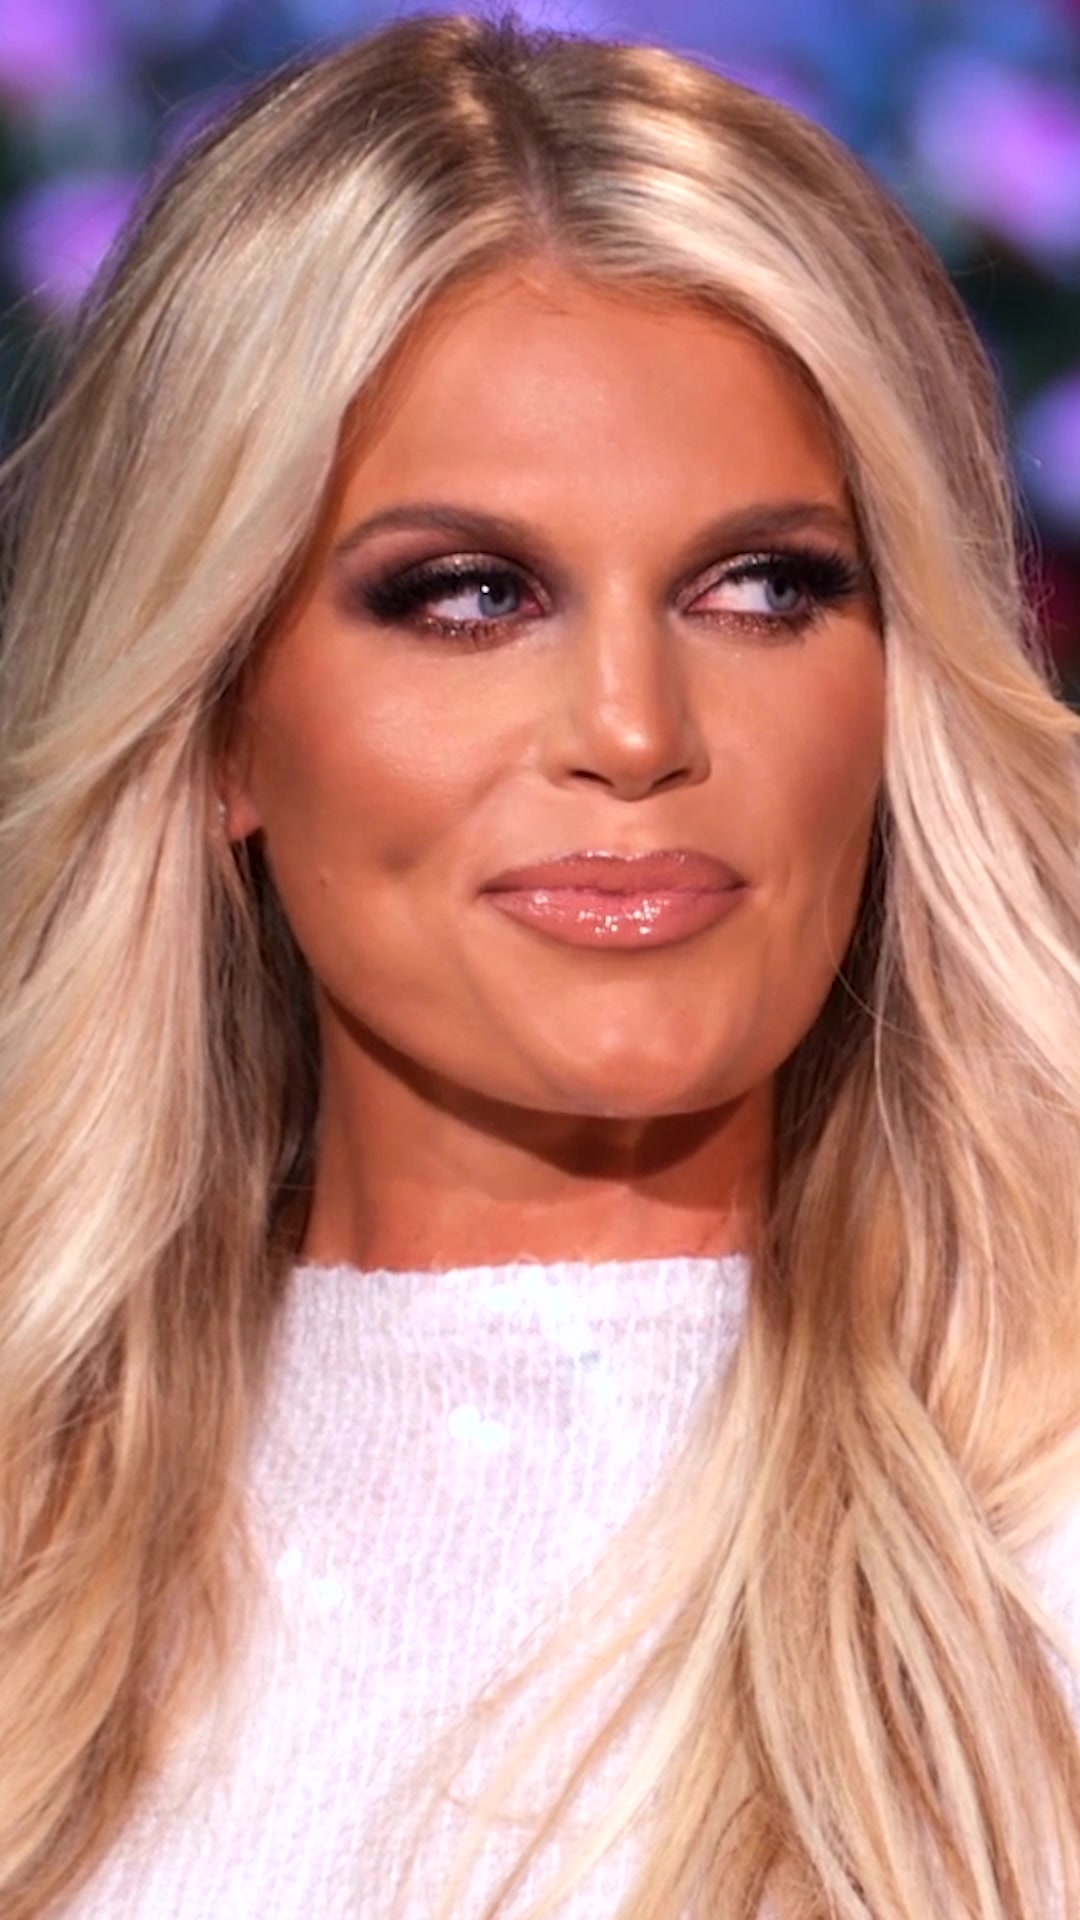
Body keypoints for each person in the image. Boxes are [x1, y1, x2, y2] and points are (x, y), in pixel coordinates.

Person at [2, 7, 1080, 1917]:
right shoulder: (34, 1558)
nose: (635, 730)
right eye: (469, 595)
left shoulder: (1039, 1540)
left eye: (765, 588)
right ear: (222, 715)